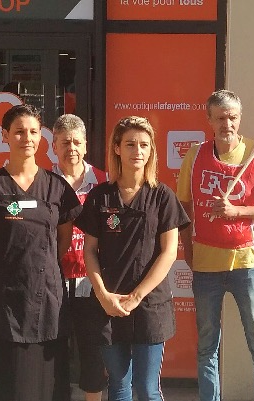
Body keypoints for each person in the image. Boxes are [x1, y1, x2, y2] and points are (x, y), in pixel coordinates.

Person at [0, 104, 81, 401]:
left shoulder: (57, 187)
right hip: (0, 304)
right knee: (1, 384)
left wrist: (42, 266)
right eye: (19, 132)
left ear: (41, 137)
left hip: (45, 300)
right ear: (4, 135)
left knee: (42, 383)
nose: (27, 138)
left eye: (33, 132)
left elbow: (63, 237)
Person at [176, 90, 254, 401]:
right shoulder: (194, 156)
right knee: (206, 346)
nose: (227, 124)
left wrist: (238, 211)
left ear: (240, 118)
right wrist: (188, 251)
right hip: (206, 265)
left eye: (233, 117)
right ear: (209, 120)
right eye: (221, 118)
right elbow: (183, 207)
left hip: (247, 263)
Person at [76, 116, 190, 401]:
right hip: (109, 304)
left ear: (151, 150)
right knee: (118, 386)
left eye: (143, 145)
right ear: (117, 148)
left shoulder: (163, 196)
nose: (137, 151)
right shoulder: (100, 197)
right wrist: (103, 295)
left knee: (148, 389)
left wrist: (137, 296)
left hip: (150, 305)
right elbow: (89, 250)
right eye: (130, 144)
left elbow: (169, 252)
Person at [50, 114, 109, 401]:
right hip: (53, 281)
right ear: (54, 146)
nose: (71, 148)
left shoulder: (105, 181)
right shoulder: (43, 182)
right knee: (53, 355)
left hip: (92, 281)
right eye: (64, 142)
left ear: (85, 145)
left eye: (76, 142)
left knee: (93, 354)